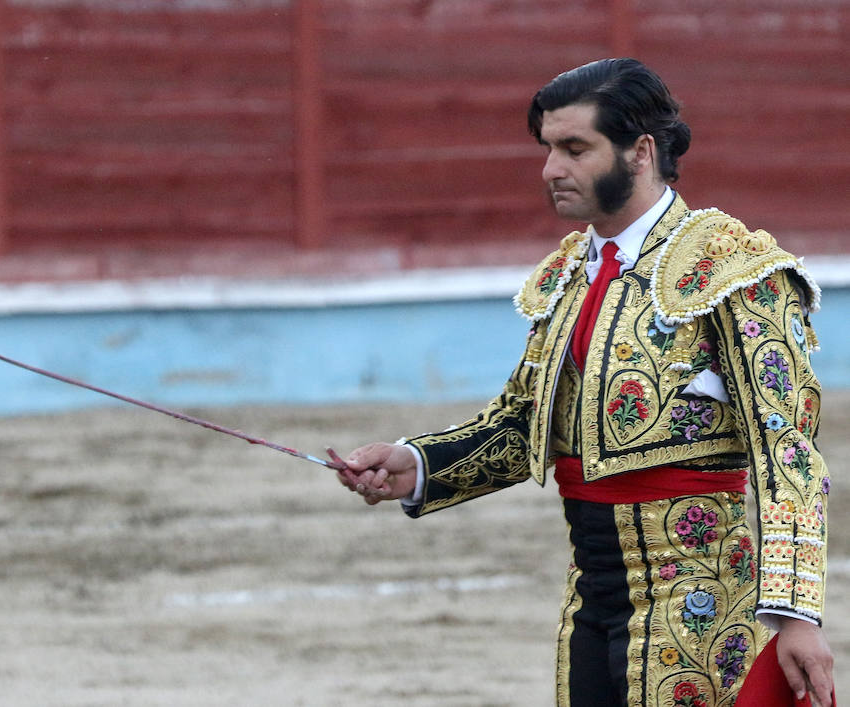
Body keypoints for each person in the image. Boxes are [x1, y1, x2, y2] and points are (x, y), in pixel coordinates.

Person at [335, 58, 834, 707]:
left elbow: (786, 448)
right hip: (592, 595)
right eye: (547, 149)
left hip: (699, 604)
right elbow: (524, 425)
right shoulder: (567, 274)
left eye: (574, 148)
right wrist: (417, 464)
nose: (551, 169)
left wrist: (796, 616)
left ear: (641, 151)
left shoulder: (731, 270)